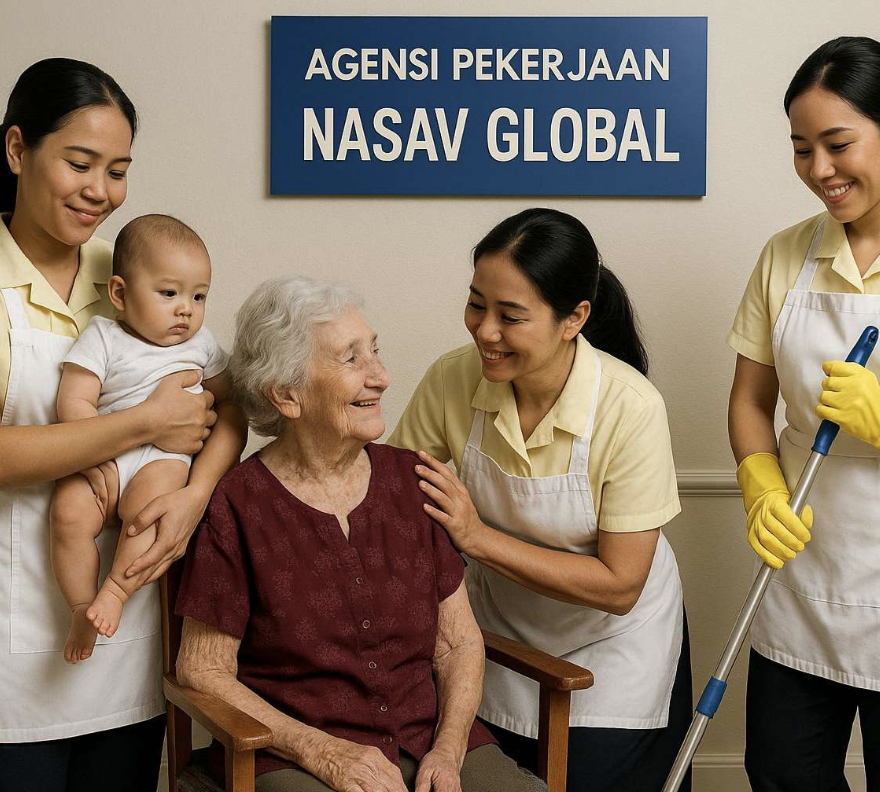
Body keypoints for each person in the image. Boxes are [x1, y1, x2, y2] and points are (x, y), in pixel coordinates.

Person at [174, 276, 546, 792]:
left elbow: (458, 642)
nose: (382, 376)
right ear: (286, 395)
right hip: (292, 757)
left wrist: (449, 748)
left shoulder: (413, 481)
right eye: (352, 360)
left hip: (427, 740)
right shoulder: (239, 504)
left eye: (375, 352)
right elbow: (203, 672)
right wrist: (321, 751)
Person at [0, 59, 244, 792]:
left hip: (130, 639)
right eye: (80, 163)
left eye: (118, 169)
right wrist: (143, 423)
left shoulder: (136, 269)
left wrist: (196, 493)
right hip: (12, 640)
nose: (100, 191)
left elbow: (225, 407)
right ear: (17, 150)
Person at [389, 208, 692, 792]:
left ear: (573, 318)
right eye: (477, 304)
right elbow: (391, 493)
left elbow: (620, 584)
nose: (484, 330)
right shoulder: (452, 379)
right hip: (497, 633)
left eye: (511, 316)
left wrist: (475, 537)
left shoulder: (630, 407)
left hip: (615, 648)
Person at [728, 36, 880, 791]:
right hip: (800, 577)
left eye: (838, 144)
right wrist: (759, 481)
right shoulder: (786, 254)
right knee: (784, 775)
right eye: (801, 148)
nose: (819, 170)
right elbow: (751, 400)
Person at [51, 214, 231, 664]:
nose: (186, 308)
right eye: (169, 293)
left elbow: (231, 402)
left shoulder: (203, 346)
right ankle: (79, 605)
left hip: (162, 461)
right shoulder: (103, 337)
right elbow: (74, 400)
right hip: (105, 455)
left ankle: (115, 589)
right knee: (68, 515)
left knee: (145, 518)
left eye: (198, 296)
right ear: (119, 294)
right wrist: (95, 457)